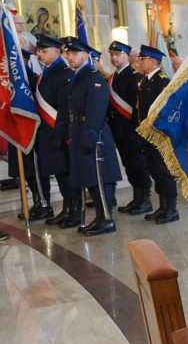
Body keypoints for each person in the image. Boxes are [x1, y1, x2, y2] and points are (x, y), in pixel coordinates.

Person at [61, 36, 122, 236]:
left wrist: (89, 136)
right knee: (90, 178)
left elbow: (96, 110)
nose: (69, 56)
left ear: (86, 55)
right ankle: (99, 217)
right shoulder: (77, 77)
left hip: (94, 134)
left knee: (99, 177)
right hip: (80, 130)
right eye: (67, 53)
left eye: (74, 53)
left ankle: (106, 218)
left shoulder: (94, 78)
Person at [106, 40, 152, 215]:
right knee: (129, 166)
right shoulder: (112, 78)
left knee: (139, 165)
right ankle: (136, 198)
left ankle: (145, 199)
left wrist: (138, 131)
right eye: (111, 55)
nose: (114, 58)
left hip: (133, 131)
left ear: (127, 56)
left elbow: (139, 108)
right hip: (118, 130)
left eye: (118, 54)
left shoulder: (135, 77)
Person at [135, 45, 179, 224]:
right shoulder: (145, 81)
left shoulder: (162, 82)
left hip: (158, 136)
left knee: (164, 172)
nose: (139, 62)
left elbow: (165, 112)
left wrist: (158, 135)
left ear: (153, 62)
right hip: (147, 136)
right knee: (155, 172)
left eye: (142, 59)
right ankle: (162, 206)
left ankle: (171, 209)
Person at [33, 34, 73, 225]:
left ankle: (72, 210)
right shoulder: (47, 71)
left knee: (65, 172)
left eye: (44, 51)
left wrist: (60, 132)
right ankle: (66, 209)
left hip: (58, 131)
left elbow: (64, 106)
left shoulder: (63, 72)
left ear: (57, 52)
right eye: (38, 51)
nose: (39, 54)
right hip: (47, 132)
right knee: (58, 171)